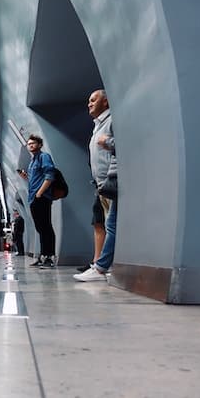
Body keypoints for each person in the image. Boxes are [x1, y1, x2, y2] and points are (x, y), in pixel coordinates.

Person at [74, 89, 117, 281]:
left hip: (112, 182)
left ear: (106, 102)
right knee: (106, 224)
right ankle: (102, 265)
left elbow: (126, 144)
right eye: (89, 101)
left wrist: (107, 141)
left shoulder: (112, 122)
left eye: (93, 100)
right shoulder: (97, 126)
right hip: (101, 185)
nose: (89, 104)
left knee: (111, 225)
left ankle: (101, 267)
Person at [18, 134, 56, 268]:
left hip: (42, 197)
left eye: (33, 143)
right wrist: (25, 177)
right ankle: (43, 256)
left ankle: (50, 257)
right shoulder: (32, 162)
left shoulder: (43, 157)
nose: (31, 145)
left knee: (46, 227)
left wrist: (40, 193)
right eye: (29, 144)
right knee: (40, 228)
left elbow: (50, 176)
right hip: (33, 198)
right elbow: (34, 180)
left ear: (40, 145)